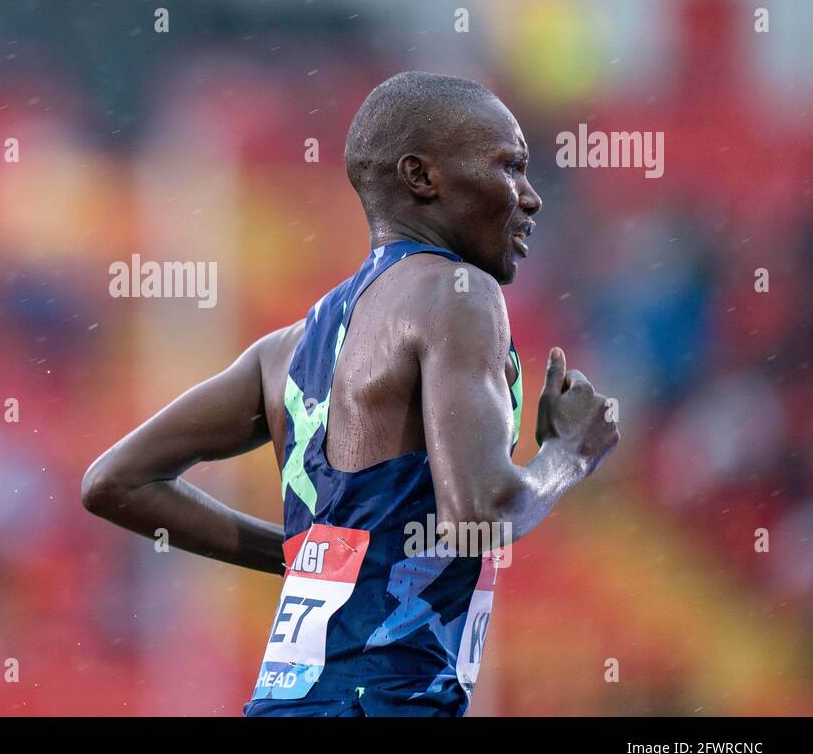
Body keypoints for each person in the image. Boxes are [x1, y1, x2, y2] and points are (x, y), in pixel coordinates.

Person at [81, 72, 620, 716]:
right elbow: (481, 514)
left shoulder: (283, 350)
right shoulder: (459, 296)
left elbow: (114, 482)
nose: (530, 198)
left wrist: (302, 560)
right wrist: (569, 454)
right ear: (422, 178)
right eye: (510, 168)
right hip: (387, 703)